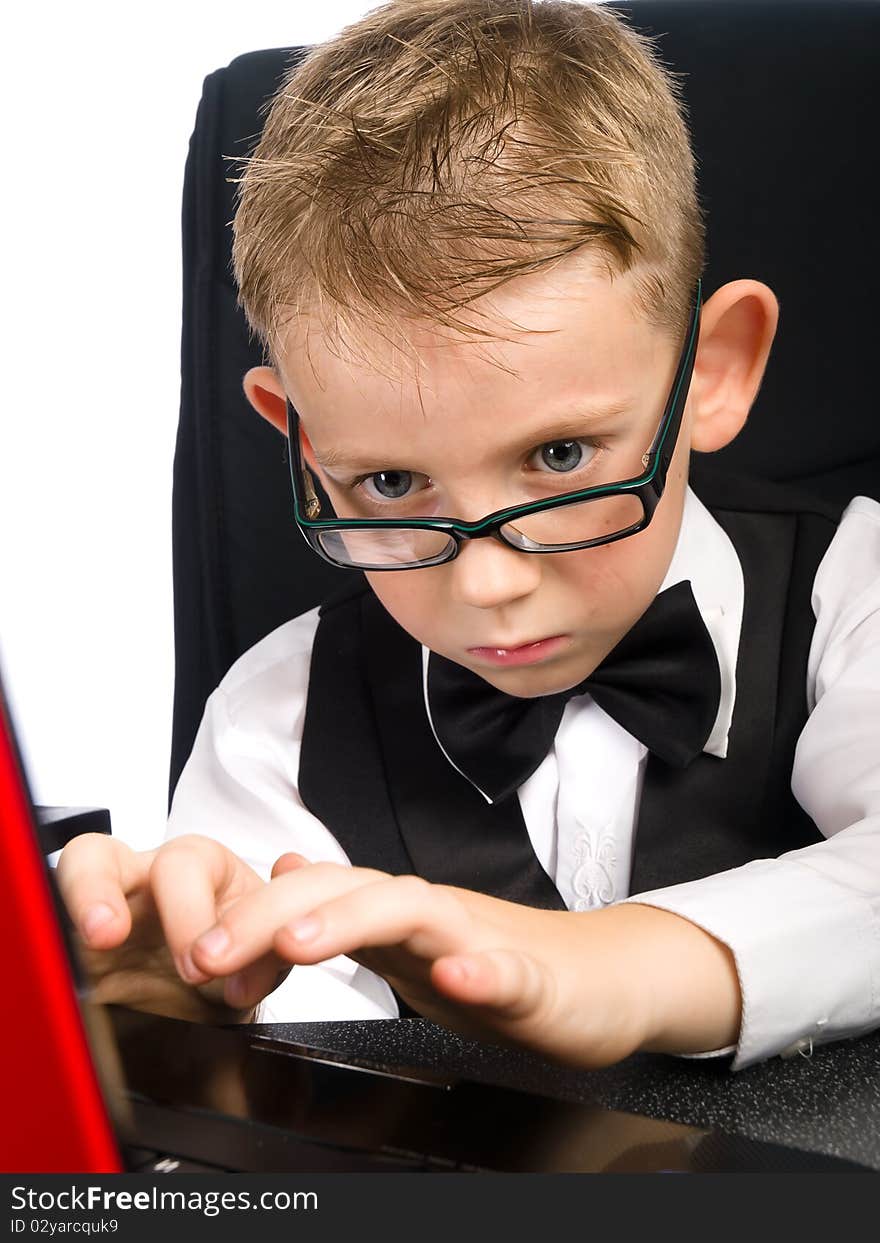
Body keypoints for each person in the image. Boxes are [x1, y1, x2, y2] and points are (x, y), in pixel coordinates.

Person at [57, 0, 880, 1072]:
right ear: (302, 447)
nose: (488, 584)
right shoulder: (276, 718)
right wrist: (180, 1024)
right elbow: (309, 1084)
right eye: (390, 481)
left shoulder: (852, 589)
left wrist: (603, 968)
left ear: (712, 373)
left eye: (560, 457)